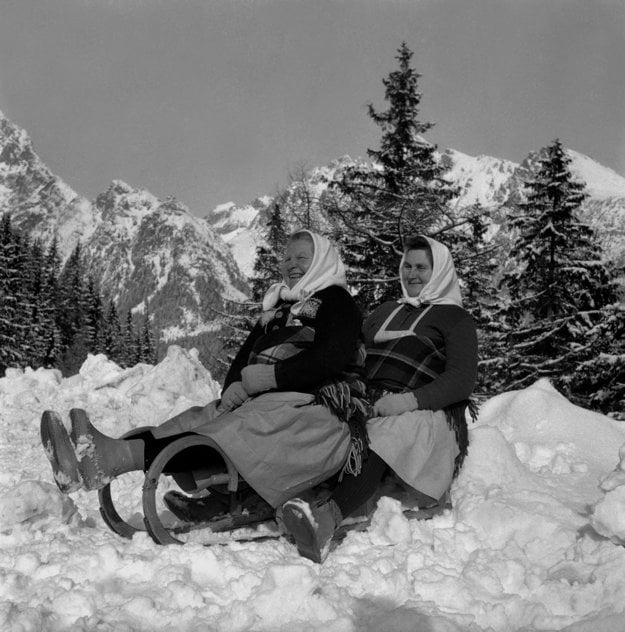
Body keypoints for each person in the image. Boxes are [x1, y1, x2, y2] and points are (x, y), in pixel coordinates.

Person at [41, 229, 368, 517]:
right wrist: (234, 387)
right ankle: (95, 456)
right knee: (193, 422)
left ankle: (114, 457)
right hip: (267, 400)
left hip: (310, 406)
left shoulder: (334, 301)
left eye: (302, 257)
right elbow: (244, 357)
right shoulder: (280, 308)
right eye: (287, 257)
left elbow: (331, 357)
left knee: (223, 434)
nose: (292, 264)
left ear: (321, 262)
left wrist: (270, 378)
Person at [281, 235, 478, 563]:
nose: (411, 274)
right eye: (407, 266)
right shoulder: (386, 311)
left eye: (422, 268)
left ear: (440, 271)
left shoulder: (455, 320)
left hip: (422, 409)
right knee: (318, 418)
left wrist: (407, 401)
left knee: (380, 434)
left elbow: (461, 380)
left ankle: (325, 521)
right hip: (370, 395)